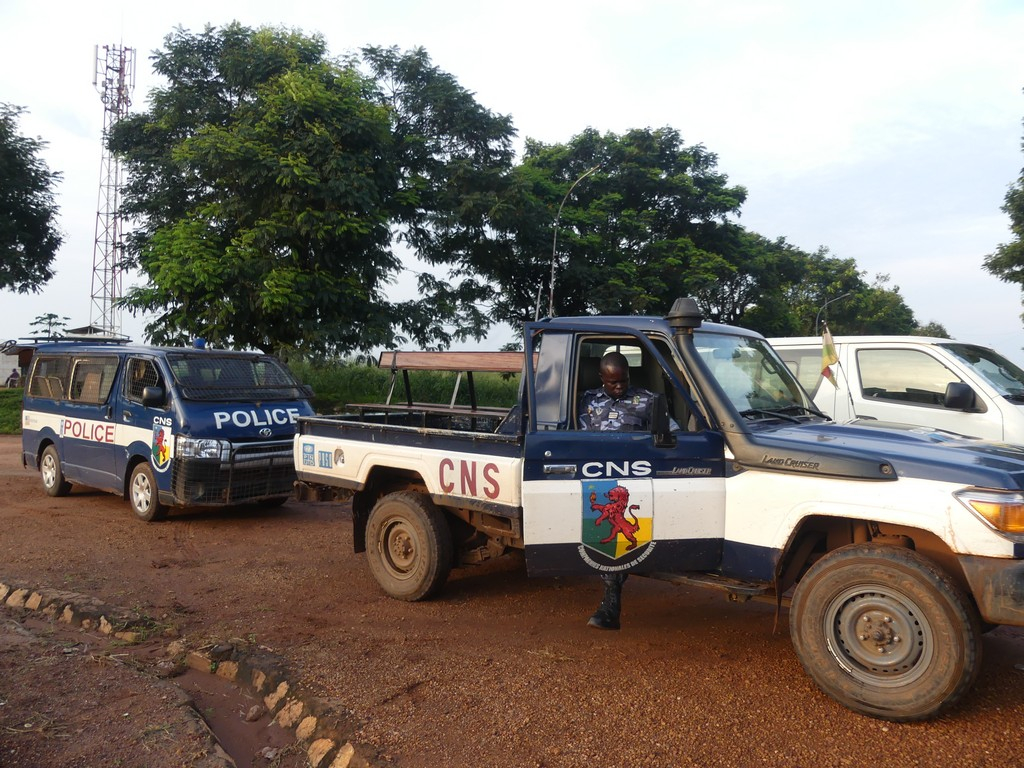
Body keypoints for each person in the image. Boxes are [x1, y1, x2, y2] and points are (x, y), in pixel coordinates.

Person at [578, 351, 670, 630]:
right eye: (613, 382)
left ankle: (610, 605)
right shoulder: (587, 400)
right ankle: (610, 602)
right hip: (595, 475)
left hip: (634, 478)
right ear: (602, 378)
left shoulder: (647, 400)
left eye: (624, 381)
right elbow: (575, 436)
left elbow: (669, 435)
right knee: (601, 536)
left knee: (617, 540)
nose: (620, 387)